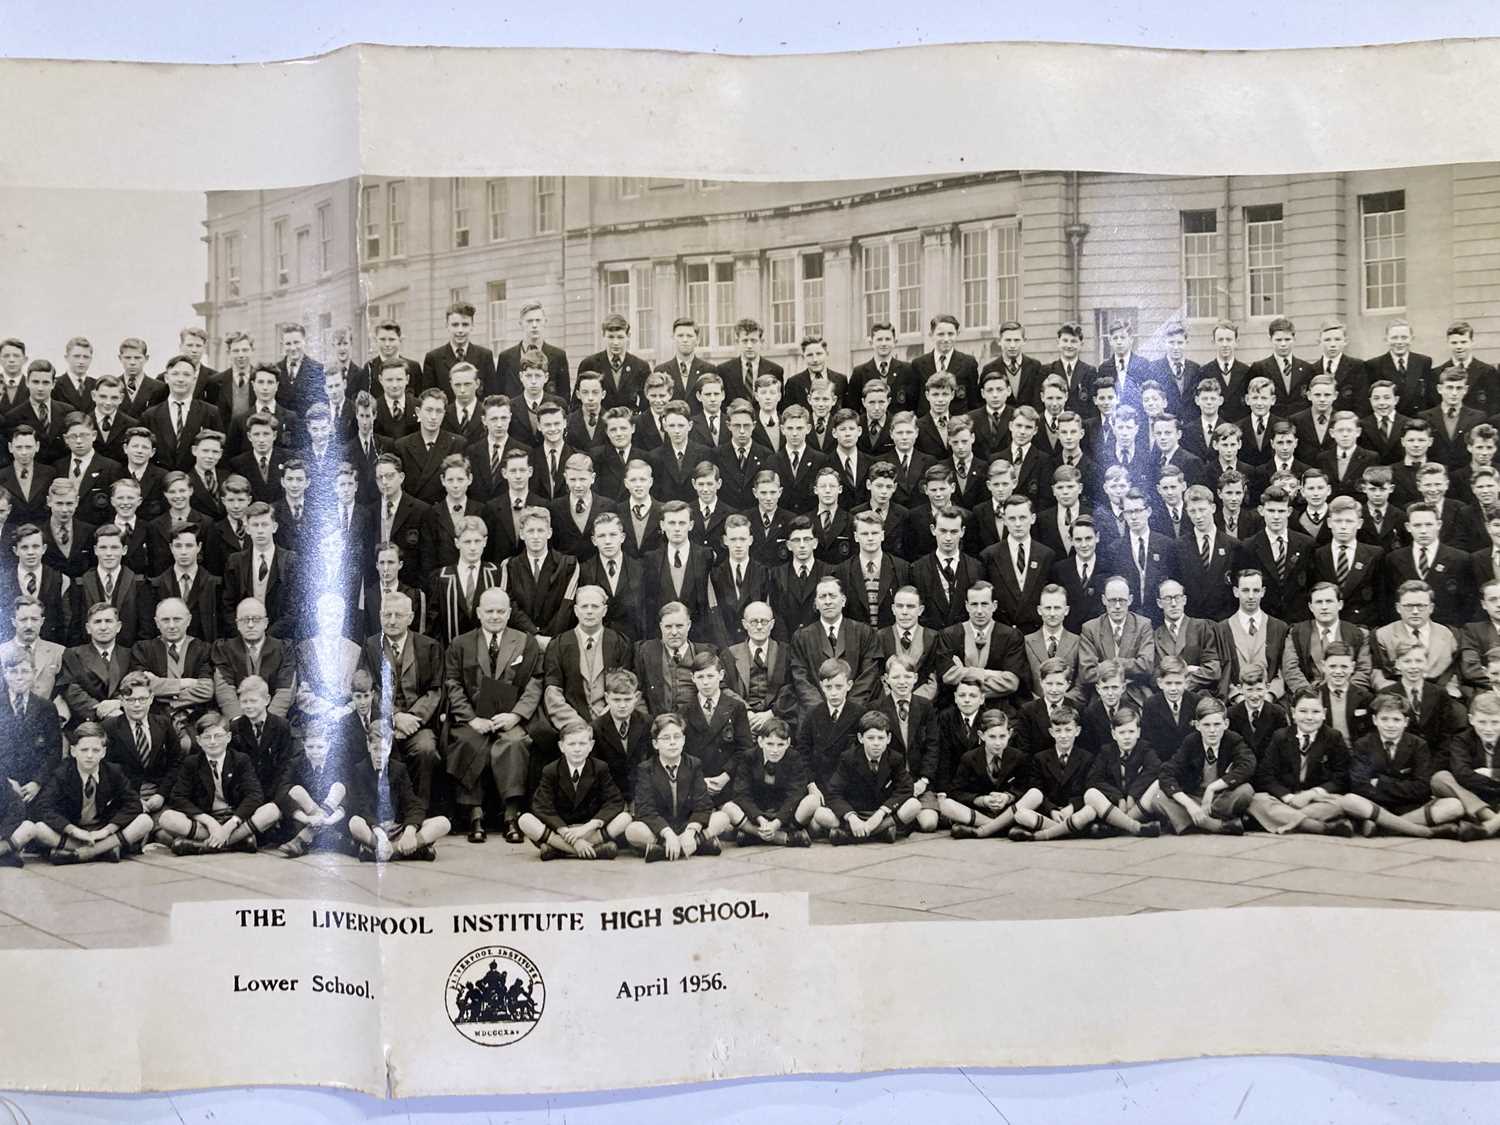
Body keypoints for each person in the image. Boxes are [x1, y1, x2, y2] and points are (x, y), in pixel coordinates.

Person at [445, 587, 542, 844]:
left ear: (510, 613)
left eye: (501, 611)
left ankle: (511, 816)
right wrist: (471, 719)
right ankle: (475, 816)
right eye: (489, 611)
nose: (495, 616)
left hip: (509, 717)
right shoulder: (461, 643)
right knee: (468, 742)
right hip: (474, 718)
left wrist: (516, 716)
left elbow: (535, 682)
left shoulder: (525, 641)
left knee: (515, 743)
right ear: (478, 613)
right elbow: (452, 684)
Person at [1339, 693, 1473, 839]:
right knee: (1350, 800)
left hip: (1409, 808)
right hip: (1377, 805)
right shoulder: (1363, 744)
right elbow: (1360, 786)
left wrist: (1380, 783)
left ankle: (1383, 827)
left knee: (1454, 805)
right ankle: (1422, 831)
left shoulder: (1418, 745)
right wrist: (1402, 787)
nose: (1390, 725)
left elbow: (1422, 787)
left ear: (1406, 722)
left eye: (1396, 720)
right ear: (1374, 720)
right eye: (1384, 719)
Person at [32, 721, 153, 864]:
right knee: (39, 829)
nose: (89, 755)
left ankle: (85, 853)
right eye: (84, 750)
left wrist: (108, 830)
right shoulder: (62, 774)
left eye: (95, 750)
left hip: (102, 829)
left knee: (145, 821)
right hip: (74, 831)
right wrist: (73, 830)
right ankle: (105, 850)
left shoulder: (113, 771)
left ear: (103, 752)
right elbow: (44, 807)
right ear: (73, 751)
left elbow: (133, 803)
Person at [157, 711, 276, 855]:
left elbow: (254, 795)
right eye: (207, 737)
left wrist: (231, 824)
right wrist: (208, 821)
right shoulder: (192, 763)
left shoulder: (240, 760)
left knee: (272, 811)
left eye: (218, 736)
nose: (213, 742)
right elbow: (178, 797)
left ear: (228, 737)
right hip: (206, 822)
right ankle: (237, 843)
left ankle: (203, 846)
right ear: (199, 741)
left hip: (236, 819)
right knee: (166, 819)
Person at [1247, 688, 1355, 836]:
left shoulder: (1333, 737)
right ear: (1293, 713)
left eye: (1316, 712)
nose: (1309, 717)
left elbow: (1341, 777)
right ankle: (1319, 827)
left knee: (1341, 803)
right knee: (1256, 800)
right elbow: (1266, 775)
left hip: (1317, 800)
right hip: (1286, 799)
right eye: (1303, 711)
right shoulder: (1280, 737)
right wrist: (1288, 797)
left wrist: (1311, 794)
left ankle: (1284, 819)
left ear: (1324, 713)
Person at [517, 721, 629, 860]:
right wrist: (566, 833)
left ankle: (559, 850)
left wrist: (589, 826)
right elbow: (542, 806)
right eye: (571, 744)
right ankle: (589, 850)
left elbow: (614, 801)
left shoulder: (600, 768)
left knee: (625, 818)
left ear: (591, 746)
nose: (577, 749)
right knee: (525, 820)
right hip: (561, 830)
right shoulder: (551, 770)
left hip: (589, 830)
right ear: (561, 746)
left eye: (582, 744)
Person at [624, 713, 729, 861]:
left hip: (687, 825)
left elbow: (703, 804)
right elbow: (645, 809)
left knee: (722, 818)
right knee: (632, 830)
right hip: (661, 829)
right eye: (666, 738)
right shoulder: (645, 768)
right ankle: (695, 845)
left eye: (677, 737)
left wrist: (690, 832)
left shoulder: (694, 764)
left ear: (684, 740)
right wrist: (667, 833)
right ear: (655, 744)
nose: (672, 742)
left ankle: (663, 850)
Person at [345, 724, 452, 862]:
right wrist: (380, 835)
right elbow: (362, 808)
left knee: (443, 823)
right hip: (374, 829)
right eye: (375, 749)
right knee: (355, 823)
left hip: (397, 828)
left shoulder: (398, 769)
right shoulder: (359, 770)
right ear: (368, 745)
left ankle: (386, 851)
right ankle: (412, 851)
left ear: (389, 748)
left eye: (383, 750)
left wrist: (410, 831)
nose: (379, 756)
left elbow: (413, 804)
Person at [1154, 696, 1254, 835]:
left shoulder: (1233, 740)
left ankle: (1193, 823)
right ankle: (1216, 826)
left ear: (1226, 724)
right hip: (1196, 798)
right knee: (1159, 796)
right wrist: (1189, 805)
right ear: (1197, 725)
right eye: (1206, 725)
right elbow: (1166, 772)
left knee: (1246, 791)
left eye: (1217, 724)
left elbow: (1248, 765)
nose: (1212, 730)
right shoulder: (1191, 742)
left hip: (1220, 799)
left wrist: (1212, 788)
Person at [820, 710, 920, 845]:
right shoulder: (848, 758)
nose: (876, 743)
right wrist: (851, 817)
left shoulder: (895, 758)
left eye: (881, 738)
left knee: (914, 805)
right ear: (861, 738)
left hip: (882, 814)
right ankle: (880, 833)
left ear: (888, 739)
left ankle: (852, 835)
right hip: (856, 812)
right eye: (870, 738)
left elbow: (906, 788)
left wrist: (882, 812)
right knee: (820, 814)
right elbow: (833, 792)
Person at [720, 717, 817, 847]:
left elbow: (795, 795)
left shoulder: (794, 758)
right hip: (757, 815)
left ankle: (754, 836)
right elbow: (741, 793)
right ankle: (782, 838)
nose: (775, 750)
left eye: (780, 745)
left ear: (788, 743)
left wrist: (777, 823)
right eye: (770, 744)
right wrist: (760, 819)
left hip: (784, 815)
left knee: (812, 801)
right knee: (728, 808)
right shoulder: (749, 757)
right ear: (760, 741)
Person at [940, 708, 1031, 839]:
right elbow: (956, 792)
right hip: (981, 812)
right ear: (981, 735)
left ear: (1010, 733)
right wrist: (982, 800)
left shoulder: (1018, 757)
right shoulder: (969, 758)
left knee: (1034, 796)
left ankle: (985, 829)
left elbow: (1024, 787)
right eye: (992, 737)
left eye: (1002, 736)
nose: (998, 743)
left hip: (1008, 811)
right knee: (946, 804)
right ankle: (1000, 828)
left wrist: (1008, 797)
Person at [270, 722, 347, 858]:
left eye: (320, 747)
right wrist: (305, 818)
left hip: (334, 818)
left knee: (339, 787)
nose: (315, 751)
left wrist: (330, 820)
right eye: (310, 747)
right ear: (303, 744)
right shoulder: (296, 762)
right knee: (296, 790)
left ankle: (301, 840)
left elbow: (349, 796)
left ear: (329, 745)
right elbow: (281, 792)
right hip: (306, 817)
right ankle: (323, 832)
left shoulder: (338, 763)